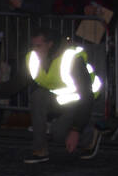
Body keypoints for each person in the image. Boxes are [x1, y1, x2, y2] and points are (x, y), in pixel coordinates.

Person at [18, 28, 103, 163]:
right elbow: (18, 81)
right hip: (60, 99)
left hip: (79, 102)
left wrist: (76, 130)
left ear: (50, 44)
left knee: (59, 135)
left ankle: (89, 135)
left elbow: (86, 97)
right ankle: (40, 149)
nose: (34, 49)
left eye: (38, 45)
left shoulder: (71, 59)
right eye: (33, 45)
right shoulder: (34, 57)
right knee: (37, 96)